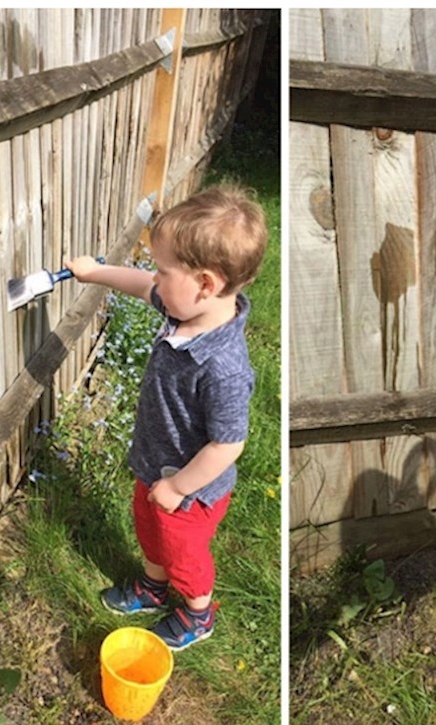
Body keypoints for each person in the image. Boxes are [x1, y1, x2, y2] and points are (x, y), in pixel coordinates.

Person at [65, 184, 267, 650]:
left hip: (192, 489)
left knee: (184, 552)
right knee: (148, 526)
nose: (154, 279)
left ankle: (198, 614)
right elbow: (142, 288)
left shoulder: (224, 367)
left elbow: (227, 443)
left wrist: (178, 488)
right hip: (156, 462)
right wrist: (97, 273)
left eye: (162, 270)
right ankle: (154, 587)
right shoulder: (184, 311)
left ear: (205, 284)